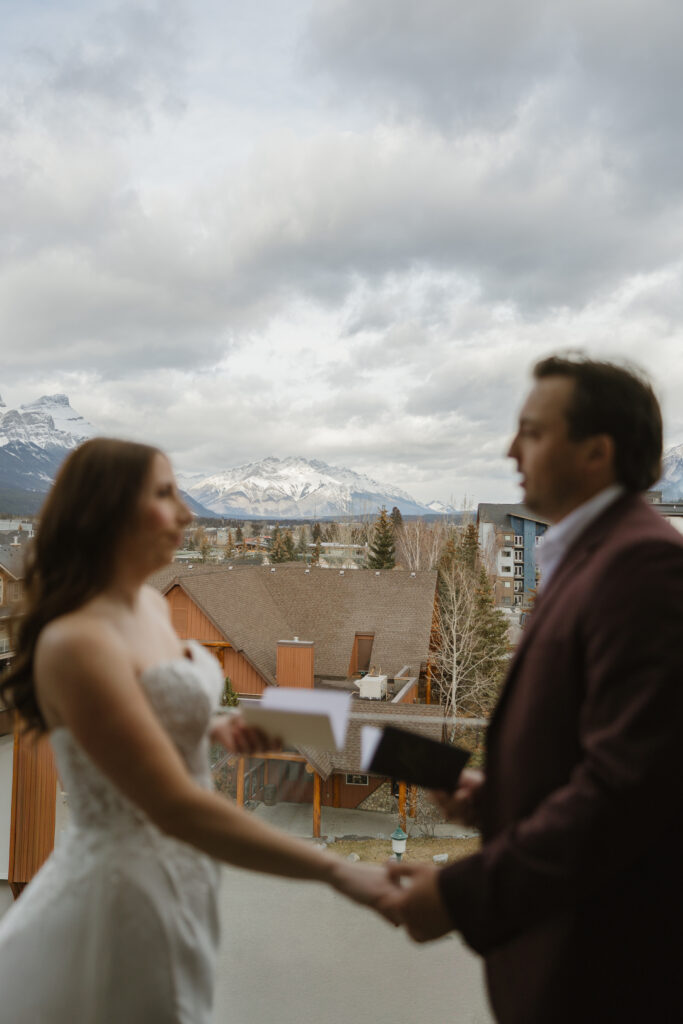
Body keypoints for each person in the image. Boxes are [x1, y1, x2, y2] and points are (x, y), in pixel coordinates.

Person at [0, 438, 397, 1024]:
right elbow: (176, 805)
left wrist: (215, 728)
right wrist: (338, 871)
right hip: (118, 896)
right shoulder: (77, 643)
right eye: (165, 494)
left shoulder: (152, 608)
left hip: (180, 880)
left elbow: (143, 721)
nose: (187, 512)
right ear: (108, 511)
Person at [386, 355, 683, 1024]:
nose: (508, 449)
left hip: (606, 971)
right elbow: (594, 754)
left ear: (595, 452)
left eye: (532, 432)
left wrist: (459, 896)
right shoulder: (587, 555)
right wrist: (497, 798)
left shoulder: (643, 567)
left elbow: (625, 794)